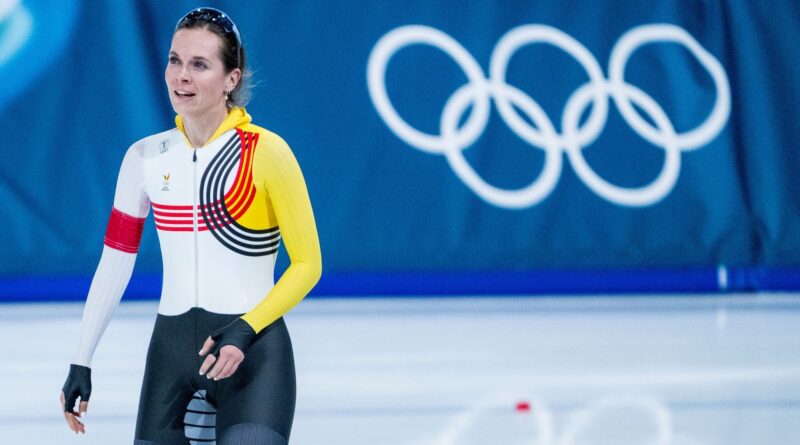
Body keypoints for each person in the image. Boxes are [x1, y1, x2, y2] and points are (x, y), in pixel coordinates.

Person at [59, 7, 322, 444]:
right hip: (171, 358)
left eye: (199, 64)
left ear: (231, 79)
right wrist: (81, 358)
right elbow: (115, 263)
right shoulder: (145, 157)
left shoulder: (268, 153)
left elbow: (308, 264)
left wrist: (246, 327)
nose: (181, 76)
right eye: (175, 60)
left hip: (253, 357)